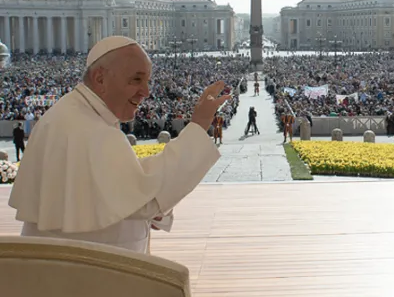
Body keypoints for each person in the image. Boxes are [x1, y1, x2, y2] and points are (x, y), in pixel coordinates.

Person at [8, 36, 230, 253]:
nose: (146, 91)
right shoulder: (90, 129)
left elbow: (119, 180)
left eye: (147, 81)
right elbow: (145, 200)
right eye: (136, 79)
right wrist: (200, 124)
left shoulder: (72, 115)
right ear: (100, 79)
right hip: (91, 276)